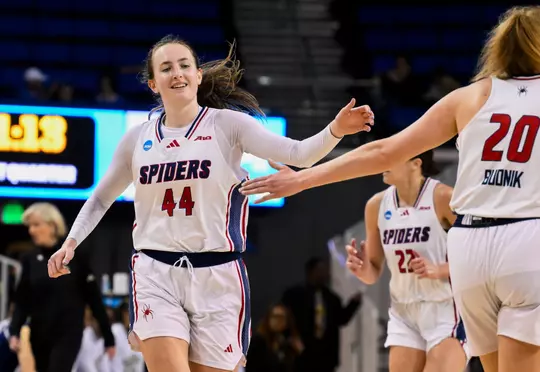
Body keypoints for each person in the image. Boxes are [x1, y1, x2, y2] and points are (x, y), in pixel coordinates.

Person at [46, 34, 374, 372]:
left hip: (218, 275)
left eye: (185, 65)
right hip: (156, 272)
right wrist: (70, 242)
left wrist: (336, 129)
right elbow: (101, 197)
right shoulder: (137, 139)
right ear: (153, 84)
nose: (177, 73)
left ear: (198, 75)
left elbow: (298, 154)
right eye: (166, 68)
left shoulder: (227, 125)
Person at [239, 6, 540, 372]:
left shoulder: (471, 96)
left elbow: (383, 150)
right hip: (525, 237)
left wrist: (302, 178)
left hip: (470, 247)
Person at [345, 151, 467, 372]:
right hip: (403, 312)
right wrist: (363, 269)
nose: (384, 161)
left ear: (416, 163)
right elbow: (373, 271)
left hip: (446, 309)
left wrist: (439, 269)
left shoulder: (444, 198)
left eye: (393, 154)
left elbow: (478, 256)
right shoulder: (376, 205)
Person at [9, 203, 115, 372]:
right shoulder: (28, 259)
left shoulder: (76, 257)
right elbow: (22, 300)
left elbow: (94, 299)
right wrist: (14, 331)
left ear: (52, 225)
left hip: (68, 333)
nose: (31, 231)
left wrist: (108, 338)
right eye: (29, 226)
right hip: (39, 333)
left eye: (36, 225)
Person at [281, 257, 361, 372]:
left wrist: (353, 304)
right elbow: (284, 318)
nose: (323, 274)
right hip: (302, 355)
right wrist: (290, 339)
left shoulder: (332, 298)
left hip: (326, 356)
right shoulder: (295, 295)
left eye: (324, 270)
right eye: (320, 270)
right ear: (311, 272)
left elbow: (341, 319)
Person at [246, 303, 303, 372]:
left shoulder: (288, 343)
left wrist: (300, 352)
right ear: (268, 319)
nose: (278, 321)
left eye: (281, 317)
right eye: (275, 316)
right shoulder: (258, 342)